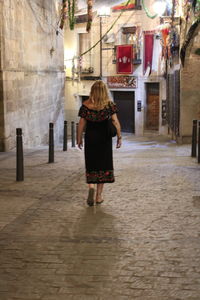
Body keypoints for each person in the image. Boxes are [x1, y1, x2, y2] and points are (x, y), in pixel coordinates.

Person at [77, 80, 122, 206]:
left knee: (91, 164)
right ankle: (98, 196)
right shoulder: (109, 106)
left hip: (91, 139)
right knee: (103, 165)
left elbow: (81, 123)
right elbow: (115, 122)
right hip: (104, 140)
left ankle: (91, 186)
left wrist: (79, 138)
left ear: (93, 91)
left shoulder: (85, 105)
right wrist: (119, 137)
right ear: (104, 92)